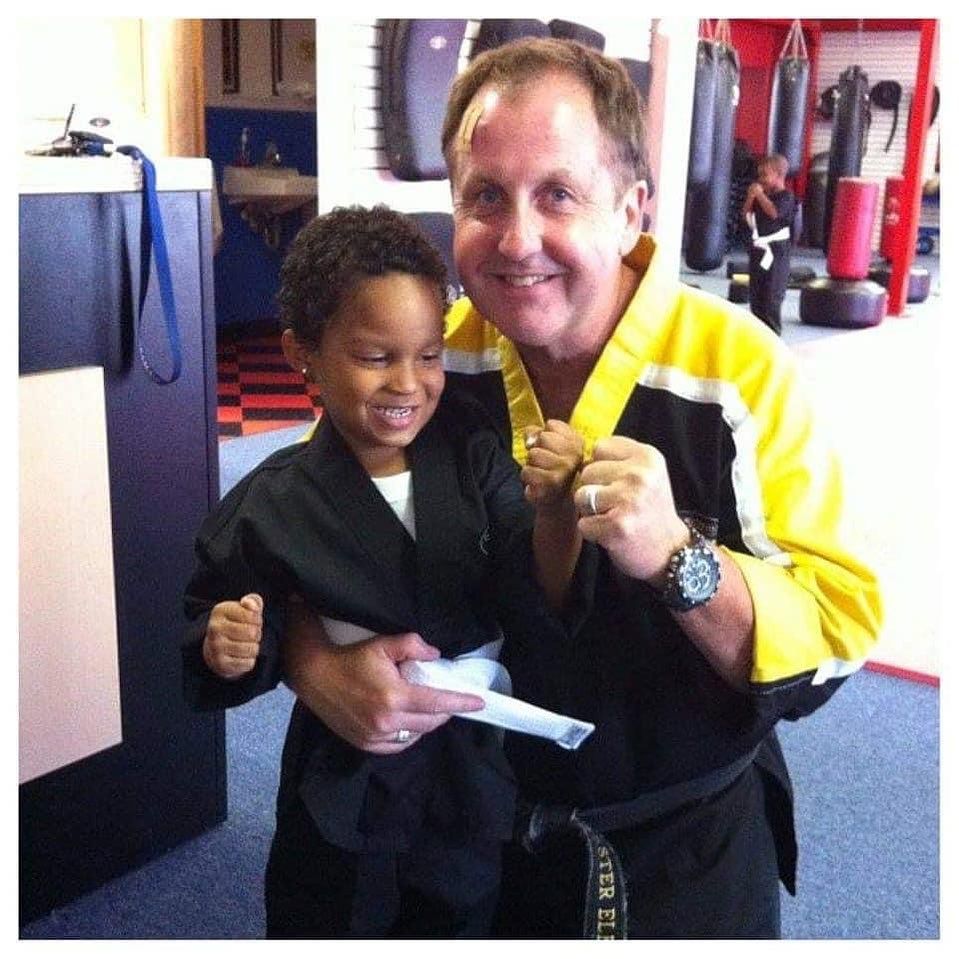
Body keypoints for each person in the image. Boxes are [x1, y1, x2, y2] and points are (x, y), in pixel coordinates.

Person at [279, 39, 883, 939]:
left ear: (631, 206)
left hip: (678, 845)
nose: (517, 240)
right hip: (459, 829)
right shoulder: (430, 365)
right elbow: (292, 537)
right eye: (486, 195)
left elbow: (836, 636)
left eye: (558, 193)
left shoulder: (735, 373)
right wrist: (314, 665)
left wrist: (682, 561)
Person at [182, 205, 589, 937]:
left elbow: (531, 582)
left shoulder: (468, 450)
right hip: (347, 779)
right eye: (375, 357)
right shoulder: (272, 500)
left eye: (427, 354)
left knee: (461, 913)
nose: (408, 383)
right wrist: (230, 642)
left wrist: (556, 509)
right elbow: (222, 610)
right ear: (302, 354)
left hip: (465, 770)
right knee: (332, 916)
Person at [741, 152, 797, 334]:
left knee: (771, 298)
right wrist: (751, 197)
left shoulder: (786, 197)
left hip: (777, 253)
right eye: (760, 175)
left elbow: (774, 213)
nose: (761, 180)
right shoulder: (760, 196)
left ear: (779, 176)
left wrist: (759, 195)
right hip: (758, 251)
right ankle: (758, 339)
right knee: (756, 298)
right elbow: (746, 216)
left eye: (765, 175)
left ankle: (773, 338)